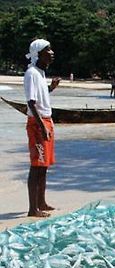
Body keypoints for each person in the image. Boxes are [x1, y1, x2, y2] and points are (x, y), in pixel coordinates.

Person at [24, 39, 60, 218]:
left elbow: (39, 96)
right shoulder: (31, 73)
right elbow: (31, 103)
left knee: (44, 165)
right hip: (38, 124)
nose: (52, 52)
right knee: (36, 166)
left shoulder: (40, 73)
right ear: (38, 54)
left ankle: (41, 202)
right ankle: (33, 209)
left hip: (46, 120)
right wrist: (41, 126)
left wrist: (50, 89)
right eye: (48, 50)